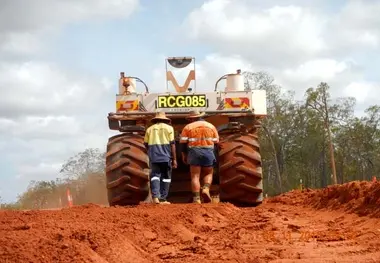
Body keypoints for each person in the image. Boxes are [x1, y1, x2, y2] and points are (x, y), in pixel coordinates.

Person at [180, 110, 219, 204]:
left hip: (194, 151)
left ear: (192, 118)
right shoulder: (211, 126)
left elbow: (183, 144)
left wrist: (184, 155)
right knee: (208, 173)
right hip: (208, 151)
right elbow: (216, 142)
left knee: (195, 176)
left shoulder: (188, 127)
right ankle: (206, 188)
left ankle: (196, 199)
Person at [144, 111, 177, 204]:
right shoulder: (169, 128)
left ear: (155, 120)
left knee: (155, 176)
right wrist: (174, 159)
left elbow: (146, 144)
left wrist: (151, 152)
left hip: (154, 157)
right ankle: (163, 198)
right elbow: (172, 145)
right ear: (165, 120)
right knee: (166, 177)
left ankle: (155, 197)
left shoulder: (149, 129)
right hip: (166, 157)